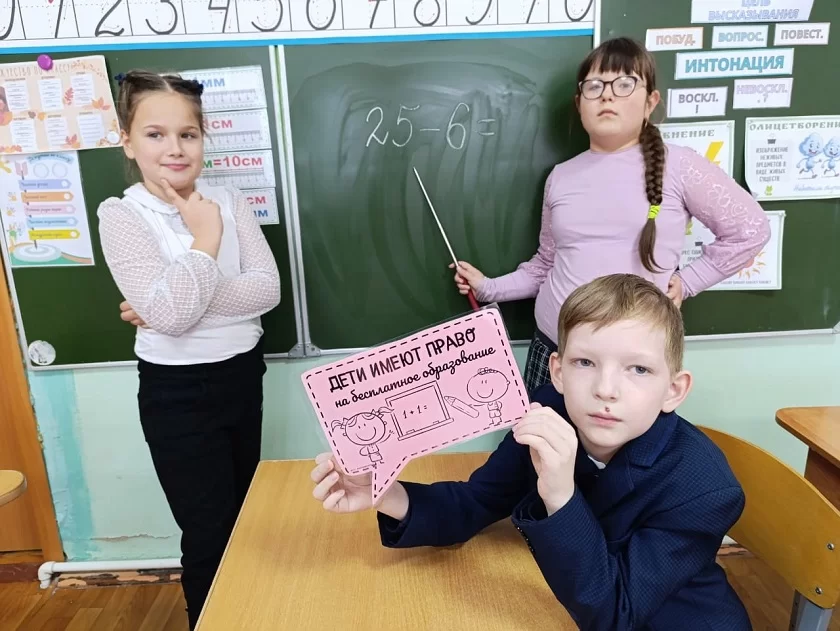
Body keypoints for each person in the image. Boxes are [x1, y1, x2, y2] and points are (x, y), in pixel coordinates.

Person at [310, 273, 751, 630]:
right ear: (557, 371)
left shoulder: (705, 489)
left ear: (673, 390)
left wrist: (559, 495)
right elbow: (476, 501)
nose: (606, 389)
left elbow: (616, 614)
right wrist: (385, 492)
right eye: (585, 362)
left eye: (638, 369)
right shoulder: (548, 411)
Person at [451, 37, 771, 394]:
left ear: (651, 101)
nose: (607, 96)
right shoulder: (561, 177)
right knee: (539, 432)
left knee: (623, 434)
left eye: (624, 84)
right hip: (553, 351)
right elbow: (546, 264)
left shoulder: (680, 166)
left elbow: (751, 229)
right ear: (579, 104)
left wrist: (689, 281)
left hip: (630, 362)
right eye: (594, 86)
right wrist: (489, 287)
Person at [97, 69, 281, 629]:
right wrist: (205, 239)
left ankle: (251, 616)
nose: (174, 148)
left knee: (246, 517)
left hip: (241, 375)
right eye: (155, 134)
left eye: (188, 134)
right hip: (176, 391)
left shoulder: (228, 197)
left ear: (203, 139)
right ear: (128, 141)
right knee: (208, 533)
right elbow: (171, 318)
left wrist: (169, 300)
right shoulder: (121, 214)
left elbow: (267, 289)